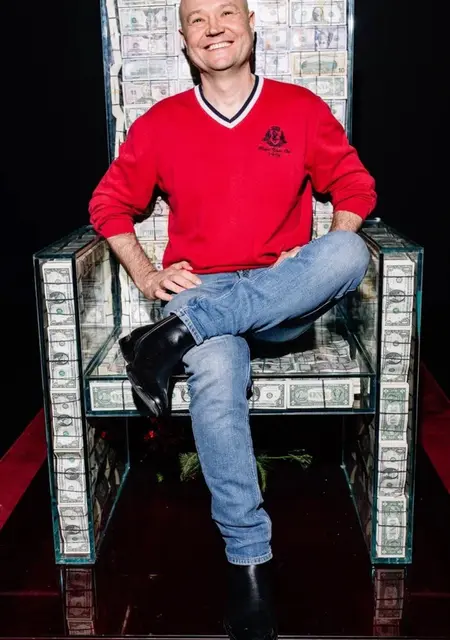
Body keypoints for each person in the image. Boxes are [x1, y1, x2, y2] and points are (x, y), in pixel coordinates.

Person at [88, 0, 377, 637]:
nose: (214, 27)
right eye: (198, 18)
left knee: (349, 251)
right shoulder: (162, 123)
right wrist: (147, 275)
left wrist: (317, 249)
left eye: (227, 13)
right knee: (216, 375)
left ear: (251, 27)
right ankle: (249, 562)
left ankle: (168, 338)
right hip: (201, 287)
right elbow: (108, 204)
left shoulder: (299, 108)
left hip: (279, 292)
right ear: (184, 39)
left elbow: (354, 186)